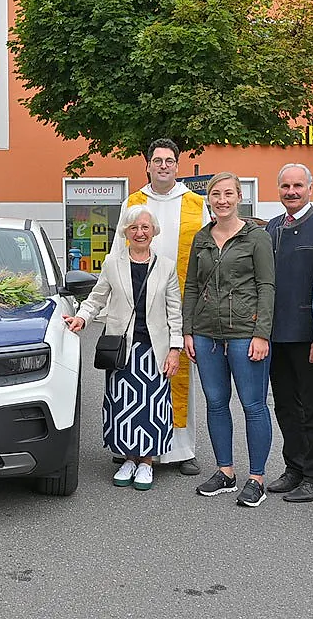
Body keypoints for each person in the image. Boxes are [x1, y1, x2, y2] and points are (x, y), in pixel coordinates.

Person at [63, 205, 183, 491]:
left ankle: (147, 462)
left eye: (145, 227)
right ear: (126, 232)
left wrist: (175, 349)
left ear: (153, 231)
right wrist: (81, 316)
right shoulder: (112, 263)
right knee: (122, 404)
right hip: (121, 347)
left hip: (155, 349)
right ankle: (128, 458)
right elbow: (97, 298)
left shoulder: (166, 266)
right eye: (134, 228)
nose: (140, 232)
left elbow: (175, 311)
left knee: (154, 407)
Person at [110, 138, 210, 476]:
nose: (164, 165)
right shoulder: (134, 202)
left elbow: (208, 255)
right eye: (157, 160)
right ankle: (130, 445)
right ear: (148, 166)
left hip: (183, 300)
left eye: (169, 160)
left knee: (179, 375)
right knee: (135, 379)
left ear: (177, 166)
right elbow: (116, 256)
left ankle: (182, 449)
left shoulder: (196, 203)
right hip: (140, 306)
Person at [183, 172, 275, 508]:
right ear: (209, 198)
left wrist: (262, 333)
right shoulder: (202, 238)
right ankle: (225, 472)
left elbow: (267, 287)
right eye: (216, 194)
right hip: (207, 334)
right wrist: (188, 330)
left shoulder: (256, 237)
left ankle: (257, 478)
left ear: (239, 197)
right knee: (216, 403)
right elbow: (193, 286)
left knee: (253, 406)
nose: (222, 200)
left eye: (228, 194)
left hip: (244, 334)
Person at [264, 164, 313, 503]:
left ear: (310, 189)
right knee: (285, 405)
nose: (291, 192)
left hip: (309, 336)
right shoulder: (272, 228)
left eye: (298, 185)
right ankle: (294, 467)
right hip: (274, 334)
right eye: (285, 186)